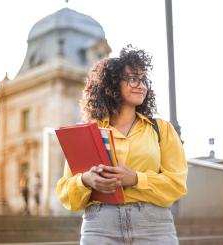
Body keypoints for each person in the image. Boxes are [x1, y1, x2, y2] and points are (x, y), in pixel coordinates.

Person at [56, 45, 188, 244]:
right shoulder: (87, 133)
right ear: (112, 84)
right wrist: (85, 180)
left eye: (144, 79)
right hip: (100, 226)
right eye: (133, 78)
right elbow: (67, 194)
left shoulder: (161, 129)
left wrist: (135, 179)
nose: (141, 85)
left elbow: (177, 185)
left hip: (153, 227)